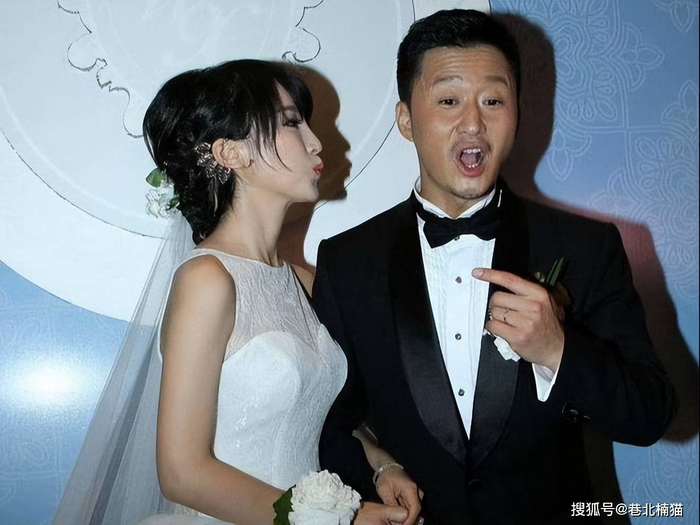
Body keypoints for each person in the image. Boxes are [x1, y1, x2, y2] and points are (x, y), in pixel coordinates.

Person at [313, 10, 677, 525]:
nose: (473, 123)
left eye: (493, 100)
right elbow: (330, 426)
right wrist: (379, 471)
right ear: (406, 120)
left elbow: (650, 415)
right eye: (448, 100)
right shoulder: (348, 261)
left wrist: (557, 349)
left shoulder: (585, 246)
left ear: (517, 113)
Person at [53, 60, 419, 525]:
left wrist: (382, 464)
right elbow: (182, 474)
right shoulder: (207, 279)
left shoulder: (302, 281)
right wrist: (334, 520)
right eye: (291, 122)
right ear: (230, 153)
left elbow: (315, 416)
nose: (315, 142)